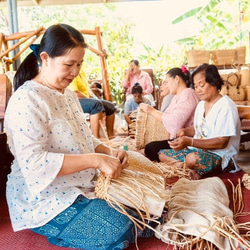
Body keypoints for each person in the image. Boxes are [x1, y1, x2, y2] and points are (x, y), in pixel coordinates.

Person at [4, 23, 153, 250]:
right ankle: (60, 229)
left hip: (81, 184)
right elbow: (34, 164)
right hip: (44, 197)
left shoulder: (67, 95)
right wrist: (96, 160)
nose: (75, 72)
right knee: (120, 228)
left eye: (79, 65)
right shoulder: (27, 99)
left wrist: (109, 152)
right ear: (45, 58)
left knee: (148, 209)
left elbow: (83, 139)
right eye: (69, 65)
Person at [158, 64, 241, 180]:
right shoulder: (201, 105)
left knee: (192, 159)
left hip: (221, 157)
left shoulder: (226, 106)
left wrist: (190, 142)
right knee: (161, 154)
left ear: (215, 82)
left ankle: (187, 167)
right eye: (196, 86)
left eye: (201, 85)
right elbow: (199, 129)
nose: (198, 90)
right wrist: (184, 131)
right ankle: (189, 168)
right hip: (199, 151)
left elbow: (222, 142)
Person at [140, 67, 200, 162]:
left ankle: (177, 162)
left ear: (177, 79)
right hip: (178, 138)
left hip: (187, 141)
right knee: (148, 148)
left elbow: (175, 123)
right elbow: (166, 116)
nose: (167, 86)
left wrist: (151, 111)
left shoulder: (188, 94)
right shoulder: (177, 96)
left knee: (150, 148)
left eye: (167, 82)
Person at [68, 67, 116, 139]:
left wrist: (93, 97)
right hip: (73, 100)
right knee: (96, 104)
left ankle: (110, 136)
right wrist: (91, 99)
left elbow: (87, 91)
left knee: (111, 106)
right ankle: (96, 138)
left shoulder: (81, 71)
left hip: (84, 99)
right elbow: (75, 93)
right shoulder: (71, 71)